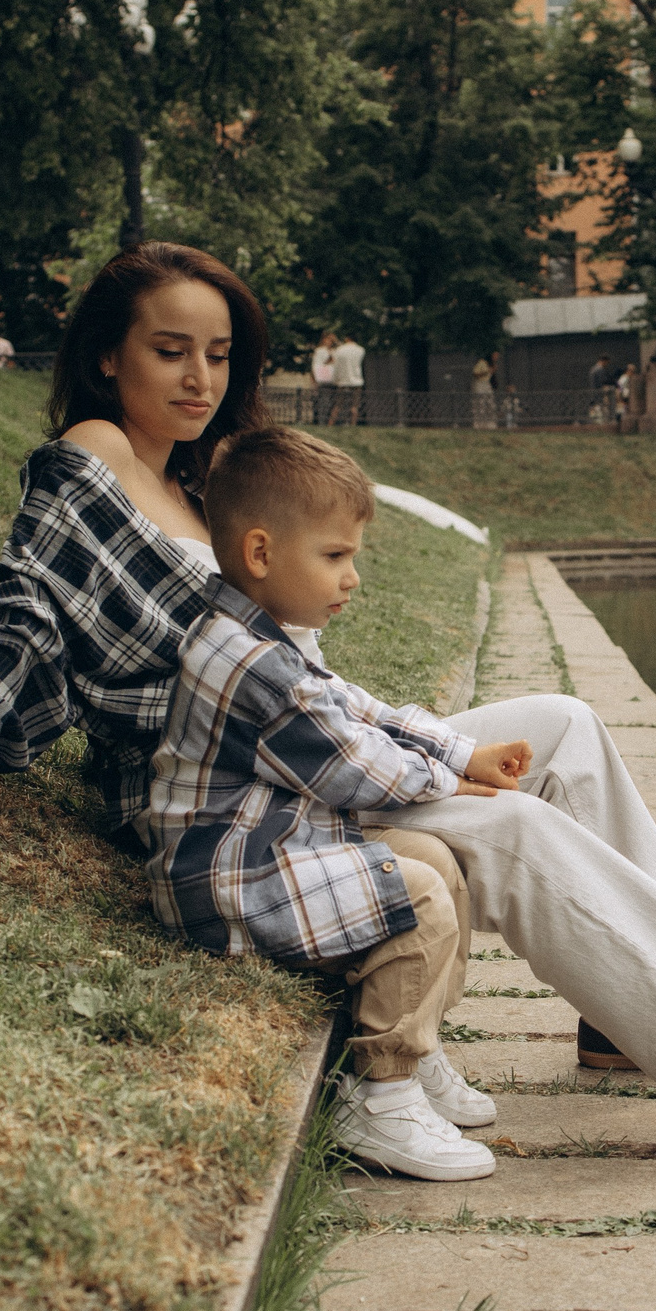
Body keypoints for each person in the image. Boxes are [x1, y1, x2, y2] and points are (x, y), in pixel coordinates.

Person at [0, 241, 656, 1157]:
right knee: (511, 827)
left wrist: (423, 737)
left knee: (564, 728)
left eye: (218, 354)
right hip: (227, 790)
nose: (199, 376)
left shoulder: (202, 477)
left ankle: (620, 1015)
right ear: (105, 357)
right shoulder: (90, 463)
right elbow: (24, 628)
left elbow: (304, 681)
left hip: (300, 747)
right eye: (169, 351)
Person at [153, 427, 522, 1179]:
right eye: (335, 556)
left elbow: (355, 706)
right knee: (414, 893)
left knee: (435, 859)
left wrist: (457, 752)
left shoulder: (264, 634)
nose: (352, 577)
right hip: (228, 878)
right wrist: (448, 782)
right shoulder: (249, 661)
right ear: (260, 553)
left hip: (271, 846)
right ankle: (378, 1097)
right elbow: (353, 765)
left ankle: (417, 1054)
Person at [330, 331, 366, 426]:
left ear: (347, 338)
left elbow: (337, 366)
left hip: (343, 380)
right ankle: (353, 424)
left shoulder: (340, 350)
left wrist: (335, 379)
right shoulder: (361, 350)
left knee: (338, 404)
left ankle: (330, 424)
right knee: (355, 406)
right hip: (356, 380)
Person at [310, 332, 337, 425]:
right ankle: (321, 421)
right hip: (323, 379)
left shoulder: (334, 351)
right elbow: (316, 366)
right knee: (323, 402)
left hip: (333, 379)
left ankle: (329, 421)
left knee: (331, 402)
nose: (330, 342)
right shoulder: (320, 351)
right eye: (328, 339)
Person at [470, 353, 497, 429]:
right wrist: (487, 371)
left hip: (487, 384)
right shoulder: (482, 362)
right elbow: (475, 373)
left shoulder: (492, 364)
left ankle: (490, 423)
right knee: (480, 404)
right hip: (480, 384)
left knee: (489, 403)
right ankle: (479, 424)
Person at [588, 354, 614, 424]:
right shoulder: (600, 370)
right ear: (604, 361)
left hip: (593, 395)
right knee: (603, 416)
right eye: (607, 362)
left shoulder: (593, 369)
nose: (607, 365)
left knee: (595, 416)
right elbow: (603, 383)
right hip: (600, 395)